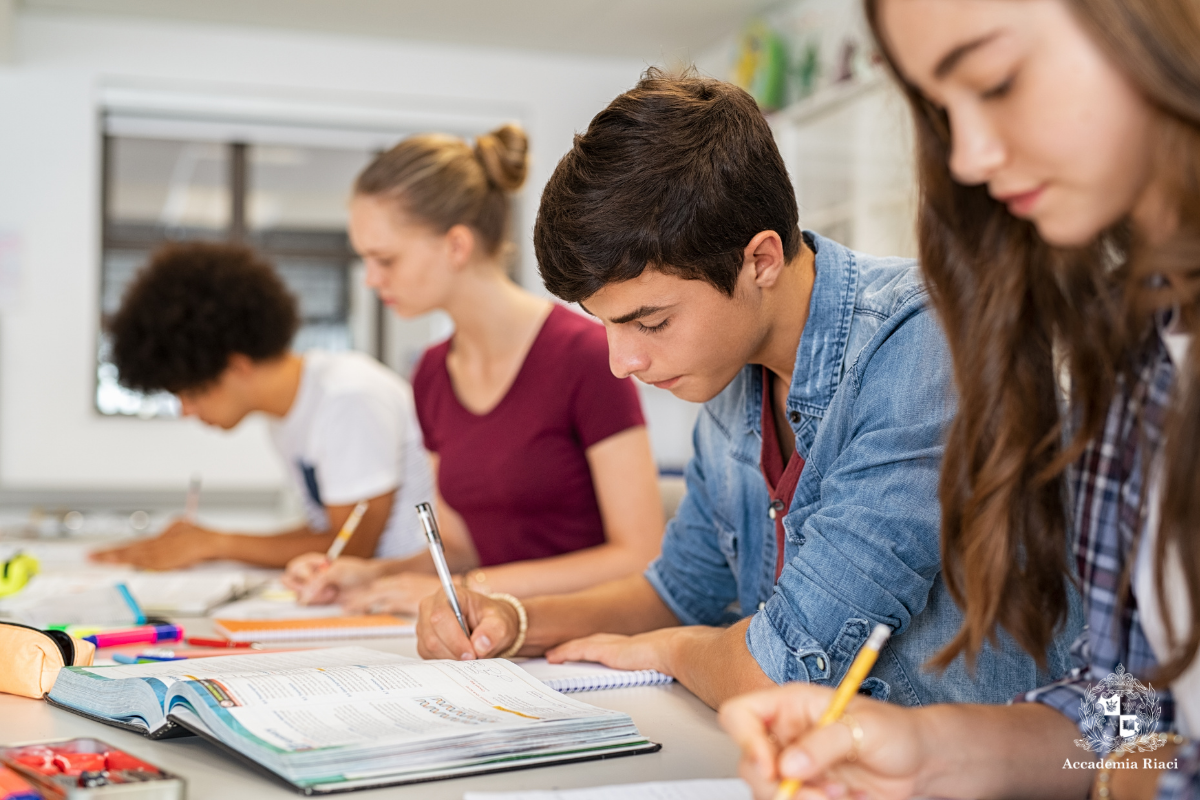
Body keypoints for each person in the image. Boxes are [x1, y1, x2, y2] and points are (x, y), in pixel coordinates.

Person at [415, 70, 1077, 710]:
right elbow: (680, 592)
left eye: (650, 321)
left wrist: (676, 652)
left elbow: (785, 670)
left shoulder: (921, 345)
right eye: (608, 324)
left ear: (759, 260)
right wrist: (515, 618)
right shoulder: (734, 373)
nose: (622, 361)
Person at [720, 1, 1200, 798]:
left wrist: (1137, 776)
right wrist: (932, 747)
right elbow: (1138, 706)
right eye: (943, 109)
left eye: (997, 80)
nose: (970, 155)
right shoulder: (1143, 352)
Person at [284, 124, 664, 614]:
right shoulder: (431, 375)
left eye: (385, 259)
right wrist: (371, 574)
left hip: (589, 637)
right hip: (493, 640)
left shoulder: (588, 355)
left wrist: (470, 588)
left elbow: (639, 555)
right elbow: (461, 549)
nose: (372, 280)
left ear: (456, 246)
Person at [93, 241, 433, 570]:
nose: (186, 412)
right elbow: (329, 532)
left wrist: (216, 543)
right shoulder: (287, 415)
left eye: (191, 394)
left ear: (237, 366)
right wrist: (207, 541)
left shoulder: (348, 397)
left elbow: (352, 547)